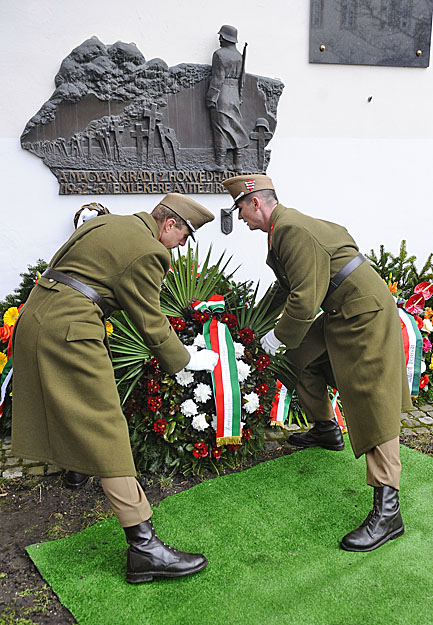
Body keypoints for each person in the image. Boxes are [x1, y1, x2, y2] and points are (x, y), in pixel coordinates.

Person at [11, 193, 219, 583]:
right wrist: (187, 360)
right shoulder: (148, 251)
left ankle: (76, 469)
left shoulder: (107, 222)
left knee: (74, 404)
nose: (183, 245)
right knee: (106, 425)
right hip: (70, 329)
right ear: (168, 224)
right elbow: (150, 320)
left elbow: (61, 266)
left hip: (36, 317)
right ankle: (145, 548)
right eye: (185, 235)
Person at [222, 174, 412, 552]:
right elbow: (286, 287)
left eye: (240, 207)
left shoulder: (291, 230)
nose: (239, 216)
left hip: (363, 314)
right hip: (342, 309)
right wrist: (254, 324)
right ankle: (327, 428)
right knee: (297, 361)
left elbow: (305, 302)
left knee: (372, 399)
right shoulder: (283, 231)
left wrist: (274, 338)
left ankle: (388, 509)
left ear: (256, 203)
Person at [206, 25, 249, 172]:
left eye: (221, 36)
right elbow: (242, 80)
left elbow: (218, 79)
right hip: (235, 95)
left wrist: (211, 97)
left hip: (222, 94)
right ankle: (238, 164)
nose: (219, 39)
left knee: (220, 129)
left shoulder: (219, 55)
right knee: (236, 127)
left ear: (225, 38)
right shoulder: (239, 56)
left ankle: (220, 163)